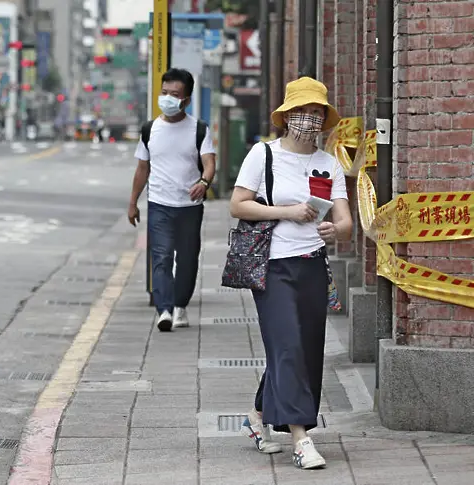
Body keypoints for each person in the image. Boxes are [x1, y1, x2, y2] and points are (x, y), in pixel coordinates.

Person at [230, 77, 353, 469]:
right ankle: (302, 439)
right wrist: (287, 212)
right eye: (302, 112)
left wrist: (337, 229)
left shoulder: (328, 162)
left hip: (313, 265)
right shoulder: (263, 155)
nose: (310, 119)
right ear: (287, 117)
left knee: (304, 347)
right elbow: (238, 205)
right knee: (287, 346)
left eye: (317, 112)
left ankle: (258, 417)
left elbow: (346, 220)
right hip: (272, 265)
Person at [128, 68, 216, 332]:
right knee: (161, 257)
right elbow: (142, 168)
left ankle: (180, 306)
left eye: (174, 94)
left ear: (186, 100)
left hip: (189, 207)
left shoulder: (199, 129)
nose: (167, 98)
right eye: (164, 93)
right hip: (159, 204)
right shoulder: (150, 130)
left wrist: (203, 183)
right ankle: (164, 310)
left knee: (188, 259)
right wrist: (133, 202)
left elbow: (209, 164)